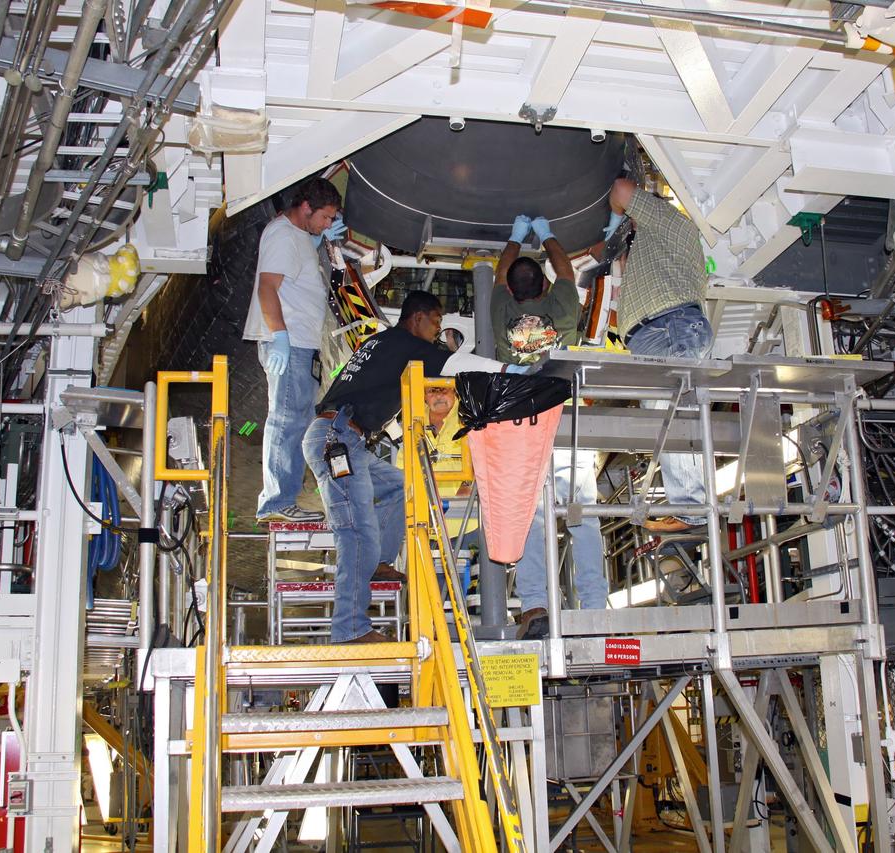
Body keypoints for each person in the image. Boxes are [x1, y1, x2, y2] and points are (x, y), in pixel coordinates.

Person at [301, 290, 518, 644]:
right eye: (435, 322)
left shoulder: (383, 342)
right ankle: (350, 629)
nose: (436, 330)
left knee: (403, 486)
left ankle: (378, 563)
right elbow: (459, 367)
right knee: (356, 534)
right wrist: (508, 371)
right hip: (337, 438)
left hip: (344, 436)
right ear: (418, 318)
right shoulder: (408, 345)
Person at [492, 215, 607, 640]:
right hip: (568, 423)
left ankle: (536, 603)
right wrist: (547, 234)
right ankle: (595, 605)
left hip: (525, 428)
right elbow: (564, 269)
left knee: (532, 518)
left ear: (512, 292)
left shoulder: (501, 310)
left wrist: (514, 237)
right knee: (584, 517)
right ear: (542, 287)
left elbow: (501, 276)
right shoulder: (560, 307)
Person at [607, 177, 713, 534]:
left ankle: (692, 508)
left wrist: (616, 217)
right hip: (660, 331)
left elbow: (621, 190)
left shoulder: (669, 221)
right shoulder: (655, 246)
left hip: (668, 327)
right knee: (671, 422)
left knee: (674, 418)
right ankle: (689, 504)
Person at [243, 177, 344, 522]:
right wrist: (280, 336)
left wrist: (318, 239)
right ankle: (275, 501)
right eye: (326, 218)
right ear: (306, 208)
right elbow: (268, 288)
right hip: (289, 343)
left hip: (303, 344)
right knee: (286, 420)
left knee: (298, 420)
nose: (329, 224)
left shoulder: (300, 236)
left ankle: (285, 495)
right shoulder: (283, 236)